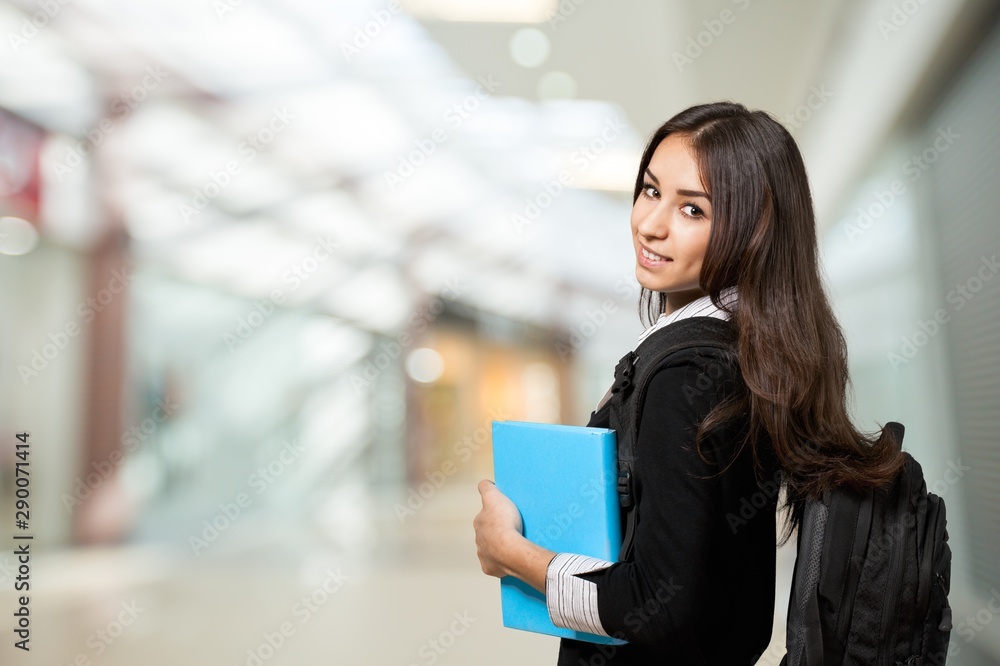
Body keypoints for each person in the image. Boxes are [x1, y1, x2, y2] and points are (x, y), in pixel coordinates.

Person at [472, 101, 906, 664]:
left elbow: (662, 606)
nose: (651, 224)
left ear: (753, 231)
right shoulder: (746, 352)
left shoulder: (688, 374)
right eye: (651, 190)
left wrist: (514, 554)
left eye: (693, 210)